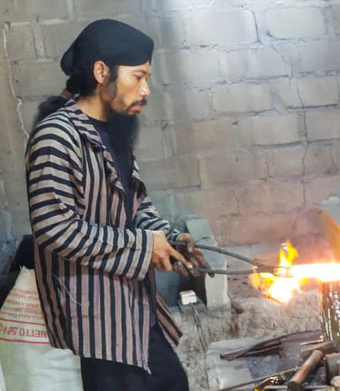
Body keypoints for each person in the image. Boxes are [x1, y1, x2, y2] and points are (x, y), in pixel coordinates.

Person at [25, 19, 209, 391]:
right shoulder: (57, 136)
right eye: (138, 77)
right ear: (101, 72)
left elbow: (136, 204)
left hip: (133, 303)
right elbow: (54, 229)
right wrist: (144, 247)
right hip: (96, 315)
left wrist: (169, 239)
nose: (146, 89)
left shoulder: (113, 131)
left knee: (173, 383)